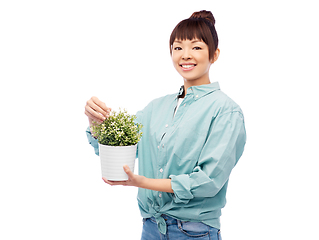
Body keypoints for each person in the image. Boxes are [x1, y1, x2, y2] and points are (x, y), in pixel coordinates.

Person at [85, 10, 246, 240]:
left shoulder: (226, 111)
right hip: (151, 228)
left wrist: (141, 182)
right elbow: (118, 150)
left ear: (215, 54)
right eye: (178, 47)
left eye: (196, 47)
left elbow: (208, 182)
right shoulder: (155, 108)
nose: (185, 55)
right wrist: (95, 122)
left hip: (193, 232)